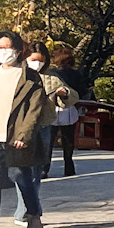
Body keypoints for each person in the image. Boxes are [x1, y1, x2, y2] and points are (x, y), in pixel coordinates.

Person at [0, 32, 53, 228]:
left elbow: (34, 110)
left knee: (21, 177)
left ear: (17, 50)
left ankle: (33, 217)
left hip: (16, 136)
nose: (2, 51)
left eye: (6, 47)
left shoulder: (29, 77)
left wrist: (24, 135)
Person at [43, 45, 86, 178]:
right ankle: (69, 167)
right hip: (70, 107)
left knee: (49, 140)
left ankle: (45, 168)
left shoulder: (51, 73)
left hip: (53, 107)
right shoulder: (77, 74)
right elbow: (82, 91)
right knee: (68, 140)